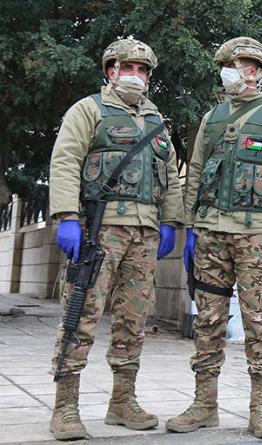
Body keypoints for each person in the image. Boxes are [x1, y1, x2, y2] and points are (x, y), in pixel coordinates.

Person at [167, 37, 262, 439]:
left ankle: (260, 410)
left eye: (248, 65)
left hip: (257, 239)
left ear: (260, 72)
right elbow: (195, 172)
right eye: (233, 64)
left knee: (259, 324)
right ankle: (203, 405)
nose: (239, 71)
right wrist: (190, 226)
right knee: (207, 322)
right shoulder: (211, 119)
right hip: (210, 236)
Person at [48, 38, 183, 440]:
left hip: (144, 235)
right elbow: (66, 160)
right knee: (82, 315)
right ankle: (65, 408)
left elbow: (172, 178)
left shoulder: (157, 123)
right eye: (129, 68)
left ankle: (122, 402)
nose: (137, 76)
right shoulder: (88, 110)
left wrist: (172, 223)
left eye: (143, 71)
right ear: (111, 70)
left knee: (134, 321)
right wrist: (67, 216)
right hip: (99, 231)